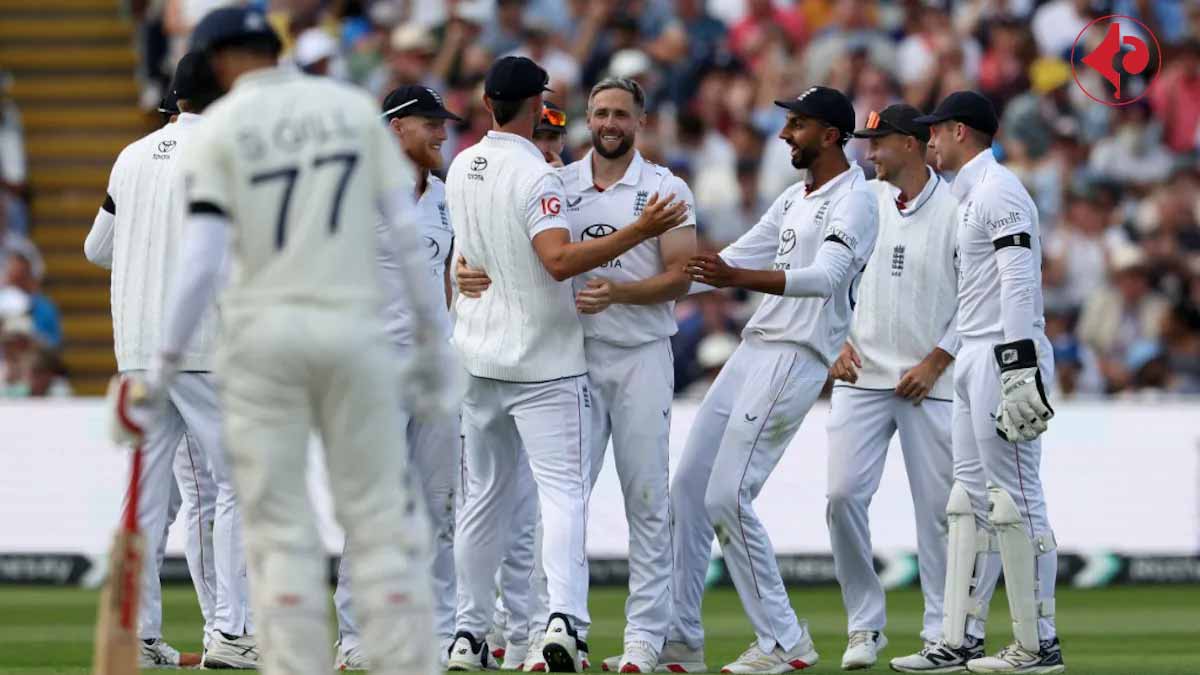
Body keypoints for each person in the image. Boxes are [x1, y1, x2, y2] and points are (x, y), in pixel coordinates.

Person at [113, 7, 455, 674]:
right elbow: (412, 244)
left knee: (276, 512)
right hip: (354, 336)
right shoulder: (349, 111)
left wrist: (161, 365)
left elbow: (199, 263)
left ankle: (285, 646)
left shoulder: (221, 131)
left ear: (219, 61)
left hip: (267, 339)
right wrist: (436, 342)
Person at [444, 56, 687, 672]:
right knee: (554, 500)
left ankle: (640, 642)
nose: (608, 123)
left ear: (640, 121)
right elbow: (539, 257)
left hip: (633, 356)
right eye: (600, 112)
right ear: (558, 111)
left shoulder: (665, 187)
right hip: (560, 359)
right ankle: (548, 629)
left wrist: (624, 291)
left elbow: (682, 276)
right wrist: (461, 268)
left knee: (644, 500)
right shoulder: (554, 178)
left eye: (619, 114)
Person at [675, 85, 879, 674]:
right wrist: (630, 291)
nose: (786, 134)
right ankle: (681, 636)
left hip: (797, 354)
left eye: (798, 124)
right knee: (688, 486)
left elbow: (826, 277)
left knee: (726, 496)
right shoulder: (795, 198)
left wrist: (734, 273)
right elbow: (724, 262)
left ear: (832, 134)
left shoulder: (856, 201)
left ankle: (784, 641)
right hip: (754, 348)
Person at [84, 51, 256, 669]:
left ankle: (139, 635)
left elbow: (95, 247)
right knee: (238, 486)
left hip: (137, 349)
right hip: (210, 346)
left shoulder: (131, 157)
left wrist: (147, 252)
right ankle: (233, 632)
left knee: (147, 500)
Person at [892, 91, 1063, 674]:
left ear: (960, 131)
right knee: (969, 503)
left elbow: (1020, 282)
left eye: (934, 131)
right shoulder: (969, 197)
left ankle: (1039, 644)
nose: (928, 141)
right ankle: (958, 637)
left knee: (1016, 501)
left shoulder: (1000, 191)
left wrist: (1017, 368)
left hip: (1001, 354)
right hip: (974, 353)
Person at [332, 83, 464, 671]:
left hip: (434, 371)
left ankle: (436, 633)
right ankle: (357, 637)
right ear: (395, 128)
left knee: (438, 505)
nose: (442, 132)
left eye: (443, 123)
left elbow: (444, 277)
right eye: (430, 123)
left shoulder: (443, 195)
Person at [825, 104, 960, 670]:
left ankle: (942, 633)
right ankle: (864, 627)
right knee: (841, 497)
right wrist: (831, 339)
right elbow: (826, 275)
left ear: (913, 144)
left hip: (932, 383)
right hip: (862, 375)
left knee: (937, 513)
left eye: (878, 143)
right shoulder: (863, 202)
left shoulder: (956, 209)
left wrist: (934, 362)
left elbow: (978, 297)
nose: (868, 152)